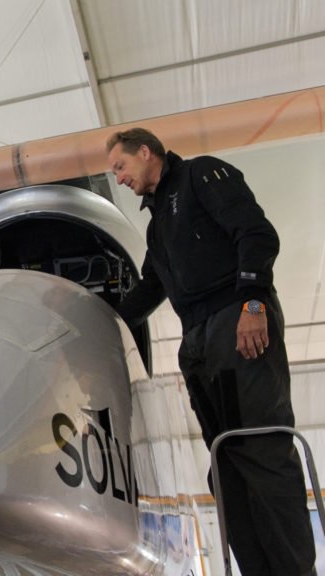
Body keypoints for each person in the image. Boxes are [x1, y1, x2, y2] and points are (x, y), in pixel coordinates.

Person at [107, 128, 315, 575]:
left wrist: (254, 302)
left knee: (260, 449)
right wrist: (103, 320)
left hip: (236, 318)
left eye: (120, 166)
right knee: (226, 466)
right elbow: (151, 288)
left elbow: (256, 234)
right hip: (198, 342)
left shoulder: (202, 176)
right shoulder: (158, 224)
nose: (118, 178)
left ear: (145, 152)